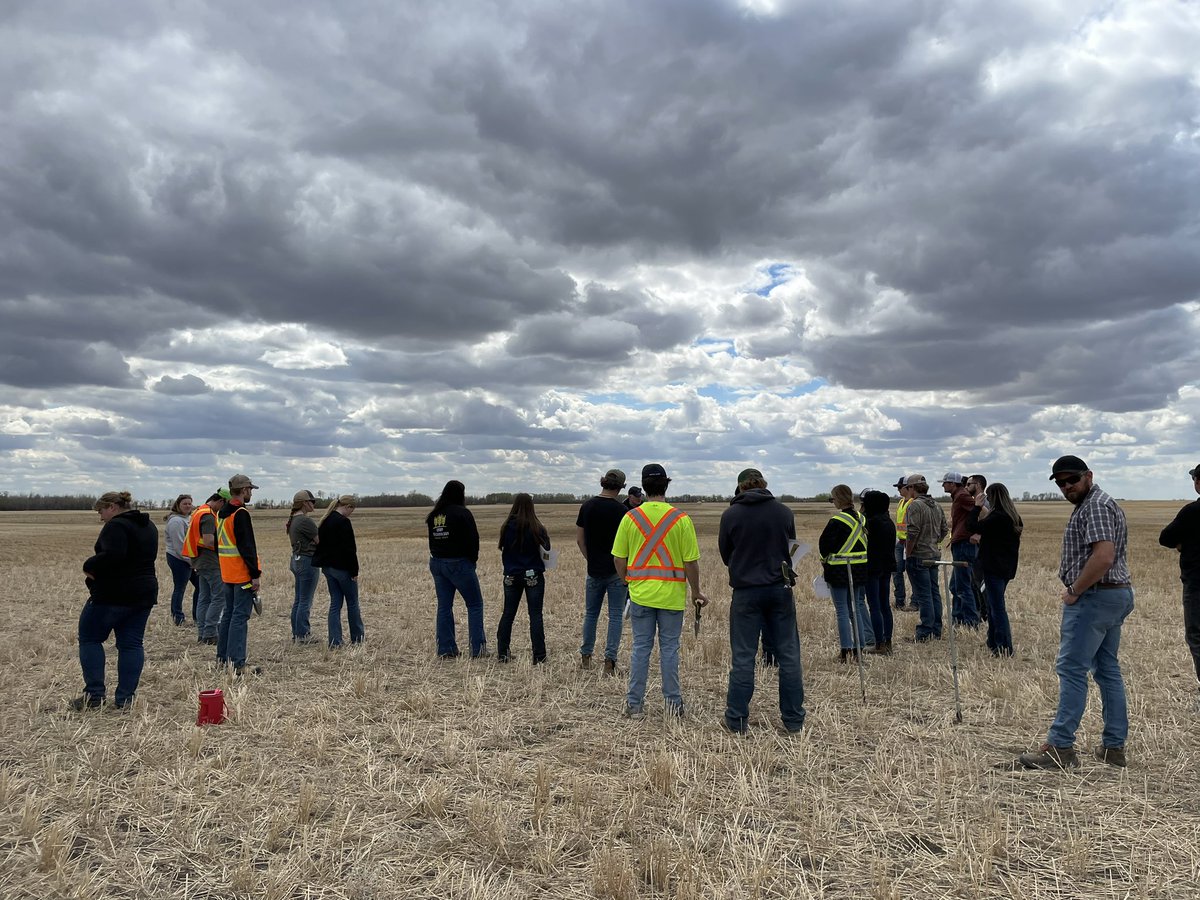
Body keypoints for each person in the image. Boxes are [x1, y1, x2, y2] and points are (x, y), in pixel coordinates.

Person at [1017, 455, 1133, 770]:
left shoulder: (1094, 506)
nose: (1067, 486)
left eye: (1073, 480)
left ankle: (1061, 747)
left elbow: (1104, 556)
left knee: (1071, 670)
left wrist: (1075, 590)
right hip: (1115, 595)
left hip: (1095, 597)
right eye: (1061, 482)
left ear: (1089, 476)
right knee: (1107, 669)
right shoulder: (1101, 503)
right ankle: (1113, 747)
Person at [613, 463, 708, 718]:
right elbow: (690, 562)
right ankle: (673, 706)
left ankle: (634, 705)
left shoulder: (630, 518)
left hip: (640, 595)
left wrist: (627, 581)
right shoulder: (681, 519)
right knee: (669, 650)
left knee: (640, 649)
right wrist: (696, 590)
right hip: (671, 597)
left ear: (643, 487)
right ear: (667, 485)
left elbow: (619, 559)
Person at [717, 467, 805, 734]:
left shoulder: (731, 514)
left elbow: (725, 554)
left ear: (740, 487)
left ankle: (737, 719)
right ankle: (793, 720)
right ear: (764, 484)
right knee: (789, 656)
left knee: (743, 658)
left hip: (745, 592)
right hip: (780, 589)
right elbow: (791, 546)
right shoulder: (784, 512)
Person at [73, 491, 159, 710]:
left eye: (101, 511)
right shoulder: (149, 526)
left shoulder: (116, 526)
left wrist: (89, 566)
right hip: (143, 594)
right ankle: (126, 699)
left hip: (113, 594)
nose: (101, 517)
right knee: (131, 644)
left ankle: (94, 696)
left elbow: (113, 556)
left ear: (112, 507)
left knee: (90, 638)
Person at [575, 468, 629, 674]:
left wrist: (591, 559)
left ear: (603, 483)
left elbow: (580, 539)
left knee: (591, 614)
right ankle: (609, 661)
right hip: (616, 572)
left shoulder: (587, 506)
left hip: (593, 571)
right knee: (615, 616)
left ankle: (586, 656)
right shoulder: (622, 511)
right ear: (621, 487)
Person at [427, 480, 487, 659]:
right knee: (475, 605)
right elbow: (473, 539)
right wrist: (472, 560)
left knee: (444, 606)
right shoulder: (463, 513)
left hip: (437, 562)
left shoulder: (434, 515)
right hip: (459, 563)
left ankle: (445, 649)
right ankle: (478, 649)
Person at [1157, 463, 1200, 694]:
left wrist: (1183, 543)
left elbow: (1165, 538)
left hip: (1197, 584)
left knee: (1197, 636)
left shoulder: (1192, 511)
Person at [819, 484, 875, 661]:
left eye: (833, 499)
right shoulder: (861, 519)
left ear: (838, 499)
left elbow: (824, 546)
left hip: (839, 570)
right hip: (860, 569)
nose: (832, 502)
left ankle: (845, 650)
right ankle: (859, 650)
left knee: (842, 611)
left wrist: (825, 560)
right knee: (855, 610)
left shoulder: (837, 521)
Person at [216, 474, 263, 676]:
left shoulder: (221, 513)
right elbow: (247, 546)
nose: (251, 492)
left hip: (227, 573)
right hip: (241, 573)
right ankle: (237, 664)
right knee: (239, 617)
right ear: (244, 490)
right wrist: (255, 574)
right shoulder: (240, 513)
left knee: (228, 615)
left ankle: (223, 659)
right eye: (250, 489)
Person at [967, 482, 1021, 657]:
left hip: (993, 567)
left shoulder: (997, 517)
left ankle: (1004, 647)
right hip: (1006, 567)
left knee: (997, 607)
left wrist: (977, 507)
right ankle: (993, 641)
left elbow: (971, 526)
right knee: (992, 605)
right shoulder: (1013, 517)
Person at [496, 493, 551, 664]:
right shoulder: (537, 527)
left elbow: (502, 547)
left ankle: (503, 653)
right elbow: (547, 549)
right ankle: (539, 655)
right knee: (535, 615)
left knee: (508, 614)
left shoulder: (506, 526)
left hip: (511, 575)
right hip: (533, 575)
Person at [314, 494, 364, 648]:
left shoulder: (325, 520)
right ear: (348, 507)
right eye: (351, 510)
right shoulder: (343, 522)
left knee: (335, 603)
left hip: (328, 569)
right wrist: (354, 570)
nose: (351, 513)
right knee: (353, 603)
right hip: (342, 569)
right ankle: (357, 638)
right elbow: (350, 549)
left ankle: (335, 641)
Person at [904, 475, 948, 642]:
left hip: (919, 555)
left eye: (908, 488)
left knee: (924, 595)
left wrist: (908, 552)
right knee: (934, 593)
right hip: (933, 555)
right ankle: (936, 630)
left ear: (912, 488)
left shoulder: (915, 505)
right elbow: (944, 529)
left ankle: (924, 632)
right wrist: (933, 542)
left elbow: (912, 532)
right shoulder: (936, 505)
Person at [182, 489, 228, 644]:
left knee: (204, 598)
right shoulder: (208, 515)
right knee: (219, 598)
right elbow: (209, 541)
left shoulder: (198, 511)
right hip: (210, 562)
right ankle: (210, 633)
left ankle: (202, 634)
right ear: (221, 501)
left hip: (199, 561)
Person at [942, 473, 981, 628]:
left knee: (964, 586)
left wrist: (979, 532)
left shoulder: (962, 496)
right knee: (955, 586)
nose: (943, 485)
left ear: (953, 483)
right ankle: (958, 619)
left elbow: (983, 511)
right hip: (960, 543)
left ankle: (971, 621)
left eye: (945, 482)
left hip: (964, 544)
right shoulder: (958, 495)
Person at [861, 490, 897, 655]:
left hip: (872, 567)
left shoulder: (870, 522)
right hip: (887, 566)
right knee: (885, 605)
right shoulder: (888, 521)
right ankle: (887, 641)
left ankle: (879, 644)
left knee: (874, 606)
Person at [286, 489, 320, 643]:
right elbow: (320, 542)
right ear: (305, 503)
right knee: (305, 600)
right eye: (311, 501)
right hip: (307, 561)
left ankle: (297, 633)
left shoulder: (294, 519)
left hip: (296, 560)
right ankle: (303, 635)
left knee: (299, 599)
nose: (313, 504)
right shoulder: (305, 521)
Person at [164, 494, 197, 625]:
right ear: (178, 505)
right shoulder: (176, 521)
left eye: (190, 503)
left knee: (200, 586)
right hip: (178, 559)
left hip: (189, 558)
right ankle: (178, 618)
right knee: (180, 588)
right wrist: (192, 562)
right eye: (185, 504)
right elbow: (179, 547)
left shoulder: (188, 518)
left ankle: (198, 616)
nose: (188, 506)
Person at [966, 474, 989, 622]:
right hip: (978, 549)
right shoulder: (976, 502)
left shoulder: (985, 502)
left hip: (984, 550)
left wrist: (980, 535)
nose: (966, 487)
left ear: (978, 485)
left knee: (981, 583)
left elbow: (992, 524)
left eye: (969, 484)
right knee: (975, 582)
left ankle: (985, 612)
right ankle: (981, 611)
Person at [892, 476, 912, 611]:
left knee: (912, 572)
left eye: (900, 487)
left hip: (910, 543)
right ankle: (899, 601)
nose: (898, 490)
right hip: (900, 542)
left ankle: (915, 602)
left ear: (908, 488)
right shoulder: (900, 502)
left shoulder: (913, 502)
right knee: (896, 572)